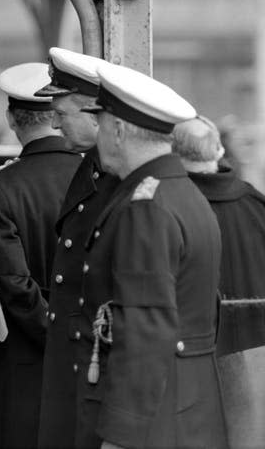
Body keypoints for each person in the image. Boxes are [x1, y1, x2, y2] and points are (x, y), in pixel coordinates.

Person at [75, 63, 227, 448]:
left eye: (103, 125)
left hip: (153, 422)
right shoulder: (179, 192)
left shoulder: (147, 206)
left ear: (120, 130)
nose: (99, 138)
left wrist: (122, 436)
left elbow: (145, 328)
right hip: (185, 408)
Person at [0, 62, 82, 449]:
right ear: (56, 116)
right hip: (88, 341)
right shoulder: (97, 174)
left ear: (11, 118)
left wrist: (51, 334)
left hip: (27, 354)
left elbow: (12, 283)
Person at [36, 48, 120, 449]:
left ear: (92, 113)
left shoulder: (119, 180)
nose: (53, 123)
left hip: (96, 364)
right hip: (75, 358)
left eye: (61, 113)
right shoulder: (90, 167)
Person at [173, 115, 265, 356]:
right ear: (219, 150)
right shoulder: (257, 204)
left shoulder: (169, 208)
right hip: (257, 352)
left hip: (195, 356)